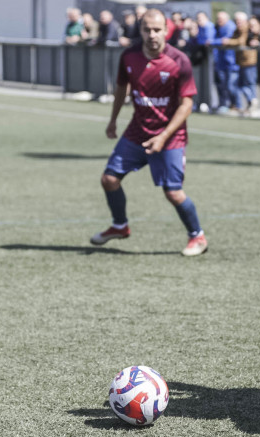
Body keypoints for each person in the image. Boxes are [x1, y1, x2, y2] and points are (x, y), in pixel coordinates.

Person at [91, 9, 208, 257]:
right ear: (140, 31)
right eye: (147, 29)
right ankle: (120, 226)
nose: (152, 34)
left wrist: (163, 137)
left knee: (173, 193)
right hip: (136, 132)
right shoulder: (129, 56)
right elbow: (121, 88)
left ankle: (197, 236)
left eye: (157, 30)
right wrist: (113, 120)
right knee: (109, 180)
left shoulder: (179, 61)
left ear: (166, 30)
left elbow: (187, 105)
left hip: (170, 137)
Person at [219, 11, 257, 115]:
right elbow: (233, 41)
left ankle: (252, 101)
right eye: (236, 20)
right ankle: (249, 103)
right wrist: (228, 43)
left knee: (248, 83)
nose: (238, 22)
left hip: (248, 60)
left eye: (239, 20)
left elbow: (240, 41)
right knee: (241, 84)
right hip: (240, 61)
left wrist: (228, 42)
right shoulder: (237, 29)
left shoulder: (245, 28)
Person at [208, 11, 238, 113]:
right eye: (218, 18)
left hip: (231, 61)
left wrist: (213, 42)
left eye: (220, 18)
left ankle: (235, 104)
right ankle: (223, 104)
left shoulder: (230, 26)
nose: (219, 20)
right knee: (221, 85)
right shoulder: (218, 27)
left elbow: (224, 40)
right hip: (220, 61)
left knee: (230, 85)